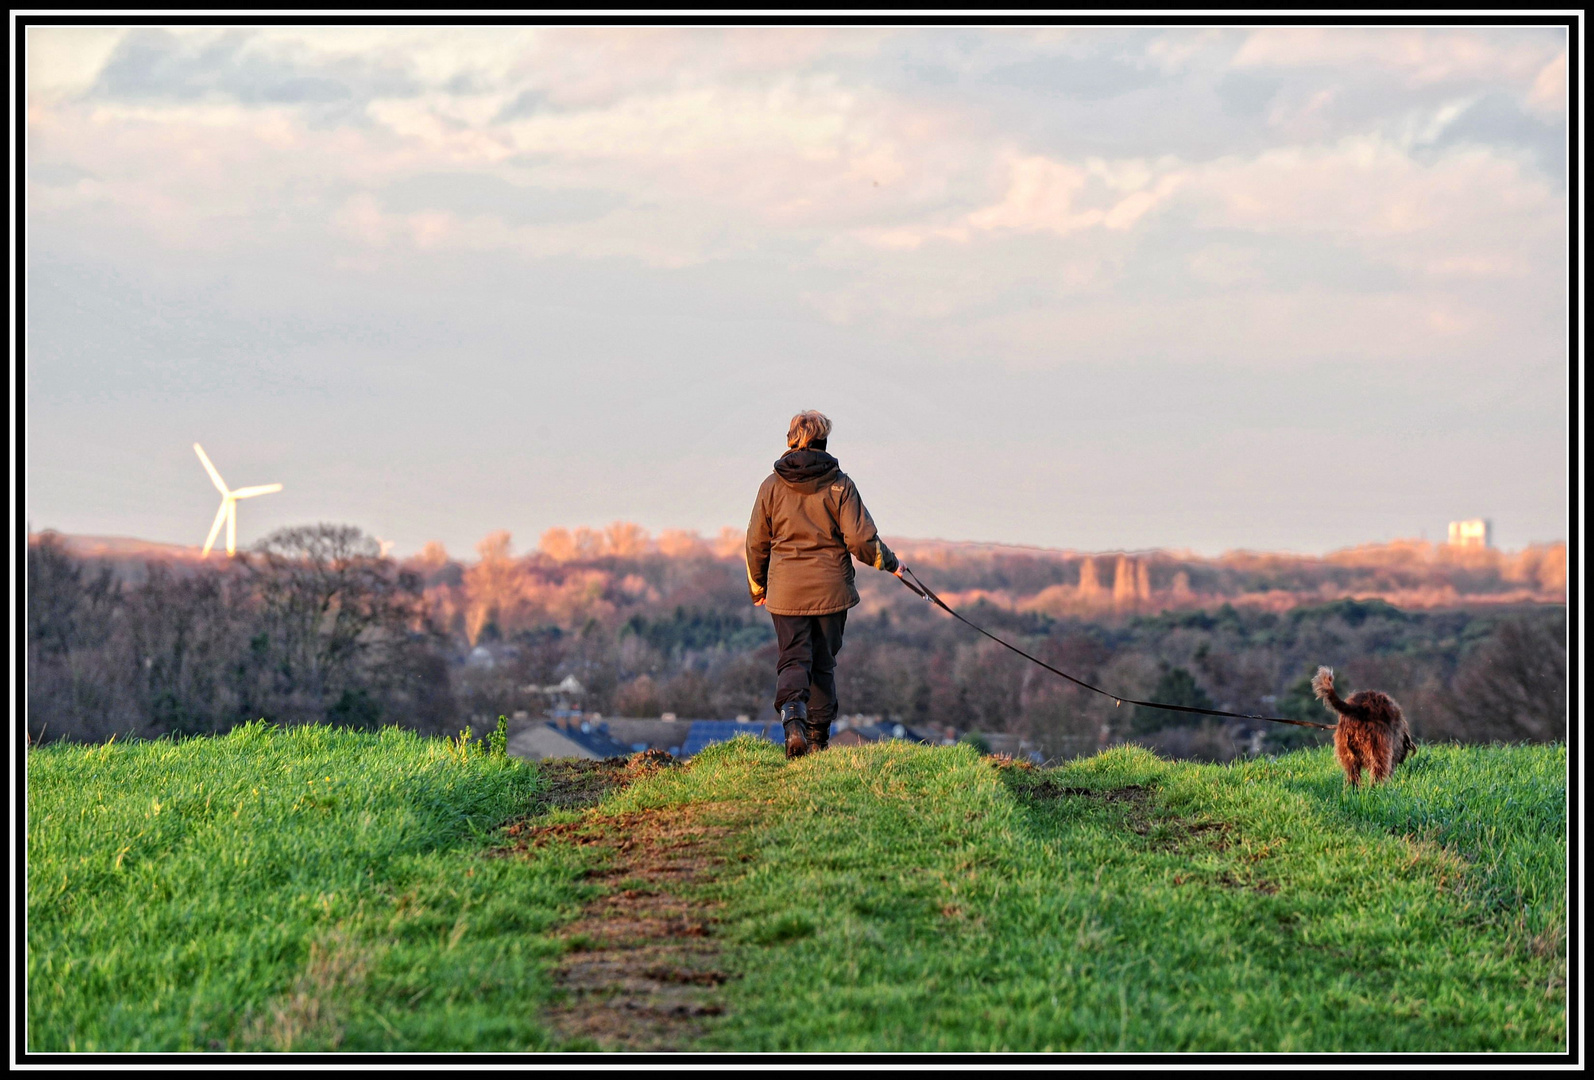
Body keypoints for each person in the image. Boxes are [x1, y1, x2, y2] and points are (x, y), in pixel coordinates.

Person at [745, 410, 907, 759]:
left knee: (793, 660)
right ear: (824, 441)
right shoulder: (841, 485)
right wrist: (891, 564)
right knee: (822, 664)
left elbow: (756, 543)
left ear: (791, 440)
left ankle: (793, 724)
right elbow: (862, 541)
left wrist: (758, 586)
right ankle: (817, 740)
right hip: (831, 592)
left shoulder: (770, 486)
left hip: (785, 592)